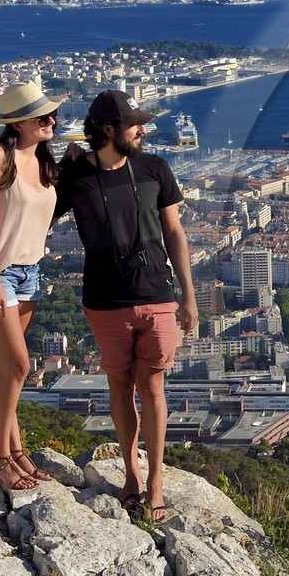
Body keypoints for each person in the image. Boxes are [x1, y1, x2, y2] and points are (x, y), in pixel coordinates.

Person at [55, 90, 196, 521]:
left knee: (152, 387)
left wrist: (188, 295)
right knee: (118, 385)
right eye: (134, 123)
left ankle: (155, 481)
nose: (143, 129)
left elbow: (174, 232)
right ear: (108, 130)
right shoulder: (76, 177)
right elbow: (34, 211)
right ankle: (130, 473)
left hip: (156, 294)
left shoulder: (154, 168)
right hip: (105, 299)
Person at [0, 81, 62, 490]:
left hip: (30, 272)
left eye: (51, 115)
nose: (51, 120)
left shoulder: (43, 161)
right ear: (18, 124)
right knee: (20, 365)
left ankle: (16, 452)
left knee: (6, 368)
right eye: (41, 117)